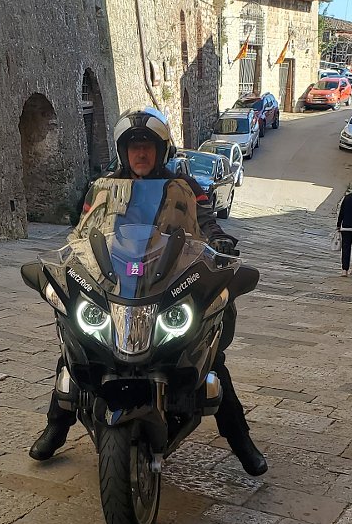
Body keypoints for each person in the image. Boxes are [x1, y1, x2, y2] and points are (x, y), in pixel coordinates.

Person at [29, 107, 268, 477]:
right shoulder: (103, 187)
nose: (141, 154)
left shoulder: (186, 188)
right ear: (123, 151)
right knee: (74, 351)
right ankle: (55, 428)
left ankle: (242, 442)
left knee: (211, 361)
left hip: (167, 279)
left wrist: (220, 241)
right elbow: (82, 231)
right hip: (117, 281)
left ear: (161, 150)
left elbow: (205, 224)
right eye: (133, 147)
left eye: (148, 147)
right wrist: (70, 256)